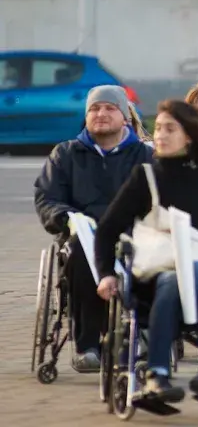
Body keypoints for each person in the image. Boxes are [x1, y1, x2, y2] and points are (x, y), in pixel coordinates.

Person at [94, 99, 198, 403]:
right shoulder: (145, 177)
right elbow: (107, 229)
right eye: (157, 128)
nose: (160, 135)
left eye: (170, 129)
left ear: (190, 135)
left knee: (194, 270)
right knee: (173, 277)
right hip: (155, 276)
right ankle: (160, 375)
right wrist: (106, 274)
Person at [33, 85, 153, 373]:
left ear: (125, 117)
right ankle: (87, 346)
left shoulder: (144, 156)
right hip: (82, 236)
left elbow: (161, 200)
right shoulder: (65, 154)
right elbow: (47, 198)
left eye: (109, 108)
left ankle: (141, 334)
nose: (100, 114)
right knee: (80, 252)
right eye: (94, 109)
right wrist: (67, 217)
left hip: (132, 235)